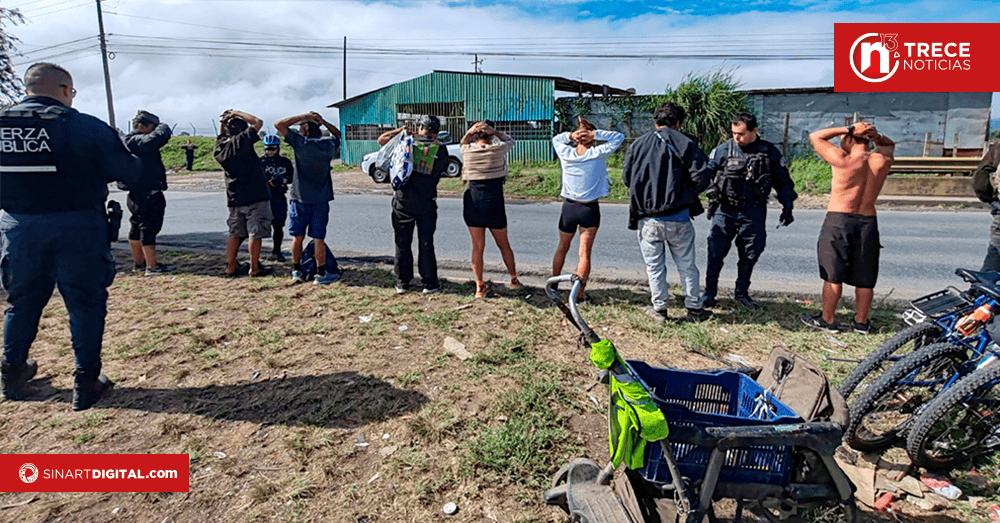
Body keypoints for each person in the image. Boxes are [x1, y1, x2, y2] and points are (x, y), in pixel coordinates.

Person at [0, 62, 141, 410]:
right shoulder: (83, 126)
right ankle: (86, 381)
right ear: (65, 90)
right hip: (78, 226)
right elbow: (131, 173)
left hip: (19, 227)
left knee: (21, 303)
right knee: (85, 304)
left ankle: (12, 375)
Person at [800, 122, 895, 334]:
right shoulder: (881, 160)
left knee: (833, 273)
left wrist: (847, 129)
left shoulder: (844, 159)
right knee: (865, 275)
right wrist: (874, 135)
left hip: (839, 219)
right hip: (867, 221)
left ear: (850, 139)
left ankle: (828, 319)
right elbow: (888, 145)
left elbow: (816, 136)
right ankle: (861, 323)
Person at [622, 102, 712, 323]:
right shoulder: (687, 143)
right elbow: (703, 177)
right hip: (679, 217)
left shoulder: (638, 145)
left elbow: (627, 178)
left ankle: (660, 310)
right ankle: (694, 308)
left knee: (654, 267)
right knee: (687, 265)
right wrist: (682, 191)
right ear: (678, 123)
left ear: (656, 122)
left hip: (648, 219)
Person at [703, 113, 797, 309]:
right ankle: (709, 294)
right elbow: (706, 172)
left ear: (754, 131)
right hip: (725, 209)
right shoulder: (723, 149)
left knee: (750, 253)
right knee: (715, 253)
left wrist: (787, 207)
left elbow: (783, 182)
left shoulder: (769, 152)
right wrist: (709, 186)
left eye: (741, 133)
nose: (736, 137)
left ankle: (741, 293)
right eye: (734, 133)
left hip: (753, 210)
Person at [551, 117, 624, 297]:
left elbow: (556, 139)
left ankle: (553, 284)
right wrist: (595, 134)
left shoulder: (565, 153)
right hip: (589, 208)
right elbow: (618, 137)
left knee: (562, 246)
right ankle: (580, 293)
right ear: (592, 138)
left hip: (568, 208)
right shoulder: (598, 153)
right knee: (584, 253)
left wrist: (570, 135)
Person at [377, 115, 448, 294]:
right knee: (426, 243)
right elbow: (443, 169)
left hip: (403, 201)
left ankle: (402, 283)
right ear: (437, 131)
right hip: (427, 201)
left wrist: (400, 131)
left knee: (402, 243)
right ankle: (430, 283)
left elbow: (382, 140)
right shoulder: (440, 148)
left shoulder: (405, 142)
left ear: (420, 126)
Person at [274, 111, 342, 284]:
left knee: (297, 237)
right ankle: (321, 274)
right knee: (318, 238)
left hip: (299, 198)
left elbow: (279, 124)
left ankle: (296, 271)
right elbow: (338, 134)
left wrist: (303, 116)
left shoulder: (301, 143)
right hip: (320, 199)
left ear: (304, 128)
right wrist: (323, 120)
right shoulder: (327, 145)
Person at [459, 120, 520, 298]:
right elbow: (510, 141)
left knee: (477, 247)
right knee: (504, 244)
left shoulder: (467, 151)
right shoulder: (498, 149)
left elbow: (463, 142)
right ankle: (514, 279)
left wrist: (469, 132)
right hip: (494, 201)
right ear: (491, 135)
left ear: (474, 136)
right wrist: (496, 131)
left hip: (473, 201)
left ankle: (479, 286)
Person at [213, 109, 272, 278]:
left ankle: (230, 266)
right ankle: (254, 268)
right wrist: (237, 112)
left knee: (235, 233)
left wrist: (223, 122)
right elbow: (258, 122)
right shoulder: (242, 141)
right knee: (255, 232)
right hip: (255, 193)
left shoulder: (220, 147)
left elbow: (222, 134)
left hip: (234, 195)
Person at [122, 109, 175, 276]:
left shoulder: (131, 141)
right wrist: (164, 127)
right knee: (148, 227)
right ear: (140, 126)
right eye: (152, 126)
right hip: (146, 191)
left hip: (138, 191)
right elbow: (155, 139)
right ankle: (151, 266)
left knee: (137, 226)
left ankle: (140, 263)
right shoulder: (135, 141)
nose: (155, 130)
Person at [260, 134, 294, 262]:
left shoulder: (285, 162)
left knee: (278, 226)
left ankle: (277, 250)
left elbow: (292, 178)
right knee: (259, 227)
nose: (270, 152)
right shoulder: (260, 162)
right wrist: (266, 182)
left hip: (279, 197)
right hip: (263, 198)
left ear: (278, 148)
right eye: (268, 149)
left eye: (273, 149)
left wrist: (282, 180)